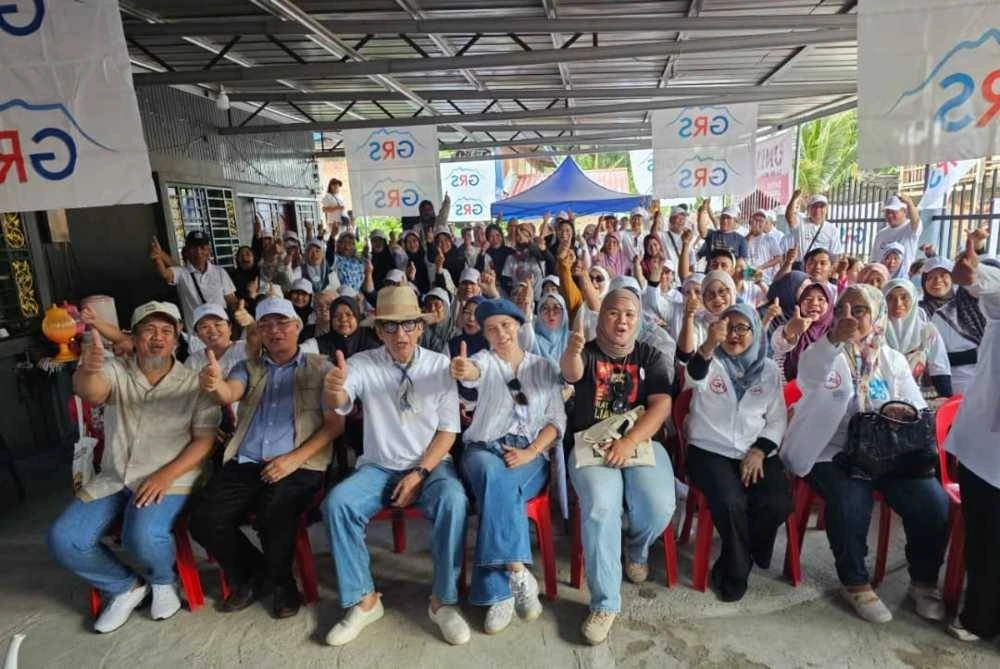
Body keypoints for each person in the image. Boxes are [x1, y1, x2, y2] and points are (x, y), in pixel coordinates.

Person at [780, 286, 949, 625]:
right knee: (850, 500)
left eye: (860, 310)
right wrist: (832, 341)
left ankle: (923, 581)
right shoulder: (826, 352)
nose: (850, 316)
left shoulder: (891, 358)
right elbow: (809, 375)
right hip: (831, 449)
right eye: (843, 308)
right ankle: (855, 581)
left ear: (876, 317)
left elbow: (915, 404)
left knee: (932, 502)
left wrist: (902, 413)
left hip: (887, 450)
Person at [48, 302, 218, 633]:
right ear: (135, 337)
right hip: (115, 475)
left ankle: (162, 581)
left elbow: (204, 440)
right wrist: (88, 368)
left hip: (172, 476)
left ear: (177, 339)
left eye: (167, 331)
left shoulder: (194, 383)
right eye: (150, 330)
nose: (158, 338)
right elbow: (91, 391)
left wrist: (164, 475)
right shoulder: (116, 370)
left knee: (140, 534)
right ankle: (124, 586)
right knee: (64, 538)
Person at [322, 287, 470, 646]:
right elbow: (342, 400)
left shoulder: (439, 365)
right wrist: (335, 389)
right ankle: (364, 600)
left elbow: (449, 430)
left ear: (420, 326)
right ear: (378, 331)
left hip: (431, 465)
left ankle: (442, 601)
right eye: (390, 327)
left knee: (454, 500)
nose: (400, 335)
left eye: (408, 325)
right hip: (379, 467)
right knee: (338, 504)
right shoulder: (362, 364)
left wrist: (420, 473)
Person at [189, 297, 340, 619]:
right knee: (203, 518)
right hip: (246, 460)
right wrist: (215, 385)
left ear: (298, 327)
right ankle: (253, 572)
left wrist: (293, 460)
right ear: (258, 331)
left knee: (275, 511)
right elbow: (229, 393)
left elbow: (334, 426)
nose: (275, 331)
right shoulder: (248, 368)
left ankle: (284, 585)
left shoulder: (321, 368)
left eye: (282, 323)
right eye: (266, 325)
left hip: (299, 463)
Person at [560, 277, 675, 645]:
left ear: (639, 319)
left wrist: (629, 441)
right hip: (590, 443)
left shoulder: (649, 355)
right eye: (613, 313)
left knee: (659, 504)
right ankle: (605, 601)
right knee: (600, 507)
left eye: (629, 314)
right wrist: (572, 352)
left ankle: (637, 548)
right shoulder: (587, 351)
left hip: (638, 440)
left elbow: (662, 405)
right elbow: (571, 373)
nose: (621, 321)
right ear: (601, 316)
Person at [449, 298, 566, 634]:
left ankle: (498, 596)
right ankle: (517, 571)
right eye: (491, 329)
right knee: (493, 475)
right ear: (484, 335)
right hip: (484, 450)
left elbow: (557, 420)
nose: (500, 333)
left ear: (518, 325)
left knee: (498, 490)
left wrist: (530, 452)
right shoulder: (482, 360)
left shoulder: (544, 367)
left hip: (530, 455)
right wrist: (463, 370)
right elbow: (471, 374)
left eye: (505, 325)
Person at [683, 304, 790, 602]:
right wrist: (707, 345)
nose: (734, 334)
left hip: (753, 449)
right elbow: (691, 378)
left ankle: (739, 553)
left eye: (742, 328)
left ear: (755, 331)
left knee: (778, 502)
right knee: (731, 503)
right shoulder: (710, 360)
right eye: (728, 327)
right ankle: (736, 571)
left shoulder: (767, 369)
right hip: (709, 449)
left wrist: (760, 450)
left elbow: (778, 418)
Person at [940, 240, 1000, 641]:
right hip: (987, 450)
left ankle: (983, 618)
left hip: (986, 449)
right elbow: (975, 280)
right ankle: (980, 616)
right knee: (986, 539)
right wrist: (969, 268)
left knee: (989, 540)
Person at [150, 231, 237, 340]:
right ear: (186, 252)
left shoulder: (220, 272)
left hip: (221, 332)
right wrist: (157, 258)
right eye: (194, 248)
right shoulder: (181, 273)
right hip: (197, 336)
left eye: (202, 247)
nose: (198, 252)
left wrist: (240, 311)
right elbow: (165, 274)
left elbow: (230, 299)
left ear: (209, 251)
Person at [883, 279, 952, 401]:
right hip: (882, 401)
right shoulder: (876, 333)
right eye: (890, 298)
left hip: (920, 401)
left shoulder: (927, 332)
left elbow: (940, 369)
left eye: (904, 297)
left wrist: (946, 400)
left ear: (914, 299)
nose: (898, 303)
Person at [771, 279, 837, 381]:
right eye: (808, 299)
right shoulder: (794, 324)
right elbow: (778, 345)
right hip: (789, 388)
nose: (814, 303)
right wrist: (789, 331)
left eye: (821, 299)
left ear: (830, 305)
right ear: (800, 304)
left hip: (822, 391)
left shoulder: (835, 331)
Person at [783, 192, 843, 264]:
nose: (818, 210)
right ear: (809, 209)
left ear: (826, 209)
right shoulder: (800, 223)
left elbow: (835, 254)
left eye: (821, 206)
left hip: (820, 268)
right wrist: (794, 198)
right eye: (814, 207)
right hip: (802, 266)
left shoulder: (832, 229)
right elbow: (789, 216)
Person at [870, 194, 921, 272]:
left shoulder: (909, 229)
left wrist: (910, 203)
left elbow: (916, 220)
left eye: (894, 212)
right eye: (887, 212)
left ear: (904, 211)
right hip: (884, 279)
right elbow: (874, 260)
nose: (890, 215)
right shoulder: (881, 234)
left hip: (903, 280)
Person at [747, 209, 784, 283]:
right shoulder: (744, 238)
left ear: (765, 223)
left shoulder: (770, 239)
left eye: (761, 221)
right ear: (751, 222)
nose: (757, 223)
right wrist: (751, 233)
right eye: (755, 220)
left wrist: (762, 267)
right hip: (748, 278)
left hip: (765, 279)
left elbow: (779, 257)